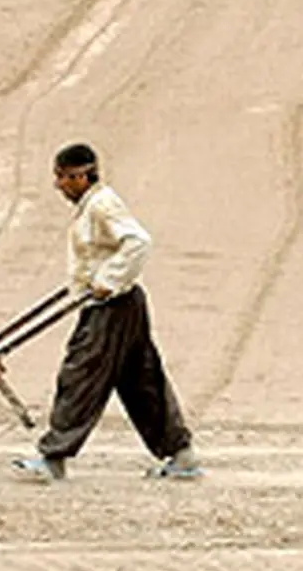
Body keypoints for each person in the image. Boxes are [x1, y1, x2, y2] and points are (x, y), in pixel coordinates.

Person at [11, 142, 201, 482]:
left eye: (64, 177)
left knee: (80, 374)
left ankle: (53, 457)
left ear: (83, 176)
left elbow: (138, 241)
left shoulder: (102, 205)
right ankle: (181, 454)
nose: (59, 185)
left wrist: (108, 280)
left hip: (112, 306)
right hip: (122, 304)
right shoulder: (89, 206)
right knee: (141, 381)